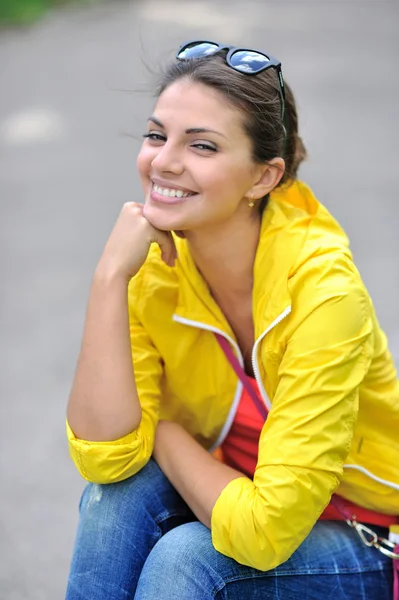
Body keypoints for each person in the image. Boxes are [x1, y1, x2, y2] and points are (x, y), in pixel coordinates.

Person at [65, 41, 399, 600]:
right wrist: (108, 281)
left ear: (263, 178)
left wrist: (164, 433)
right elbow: (106, 455)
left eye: (202, 145)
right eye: (156, 135)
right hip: (236, 489)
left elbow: (263, 535)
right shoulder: (151, 268)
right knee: (118, 493)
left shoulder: (324, 292)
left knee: (189, 560)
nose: (164, 161)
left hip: (367, 533)